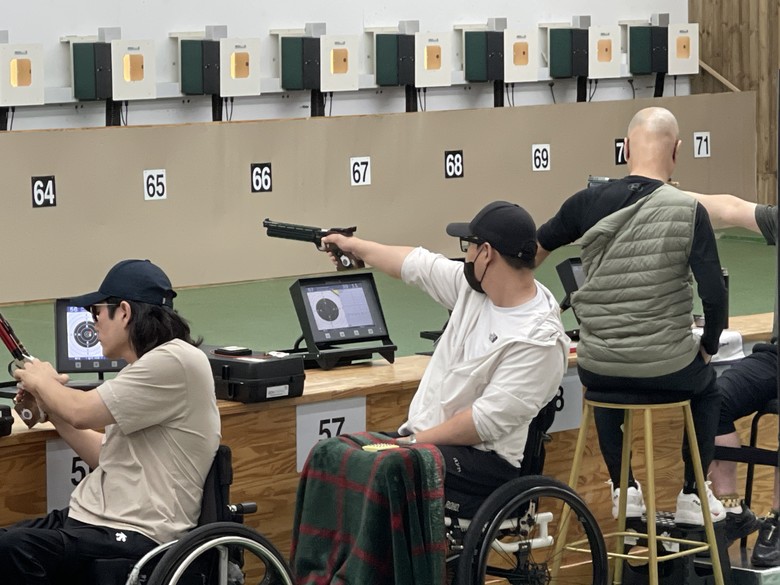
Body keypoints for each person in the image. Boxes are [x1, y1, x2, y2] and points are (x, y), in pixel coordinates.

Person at [536, 106, 728, 528]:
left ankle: (624, 488)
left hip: (599, 369)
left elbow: (531, 252)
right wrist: (708, 347)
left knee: (603, 373)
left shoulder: (584, 203)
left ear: (625, 149)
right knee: (709, 390)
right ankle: (693, 493)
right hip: (670, 370)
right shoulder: (688, 209)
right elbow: (715, 295)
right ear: (677, 151)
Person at [321, 200, 569, 517]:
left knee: (387, 467)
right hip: (427, 444)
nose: (466, 255)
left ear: (486, 253)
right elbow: (415, 264)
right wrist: (353, 246)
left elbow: (481, 423)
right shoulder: (475, 289)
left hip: (482, 463)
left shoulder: (540, 339)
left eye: (469, 246)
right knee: (332, 454)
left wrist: (409, 442)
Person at [0, 259, 221, 584]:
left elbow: (81, 411)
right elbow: (107, 455)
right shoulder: (145, 367)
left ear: (125, 312)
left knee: (11, 549)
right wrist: (51, 409)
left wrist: (41, 379)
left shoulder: (177, 359)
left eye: (97, 313)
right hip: (90, 521)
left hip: (137, 535)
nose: (93, 324)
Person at [686, 193, 778, 564]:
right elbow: (729, 208)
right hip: (775, 358)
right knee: (713, 398)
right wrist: (659, 190)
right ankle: (731, 510)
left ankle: (778, 519)